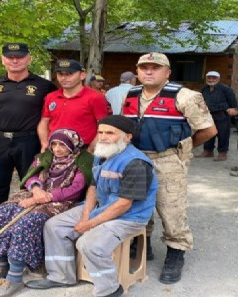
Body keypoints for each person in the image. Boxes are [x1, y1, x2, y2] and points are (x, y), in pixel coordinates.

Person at [26, 116, 158, 297]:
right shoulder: (102, 154)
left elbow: (124, 205)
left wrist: (89, 224)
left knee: (89, 244)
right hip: (102, 206)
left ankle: (110, 289)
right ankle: (61, 276)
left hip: (129, 216)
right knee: (54, 226)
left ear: (127, 137)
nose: (103, 137)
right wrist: (86, 214)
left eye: (110, 133)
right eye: (100, 132)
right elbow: (93, 188)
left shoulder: (135, 163)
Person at [122, 52, 216, 283]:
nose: (149, 71)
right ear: (137, 71)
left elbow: (208, 130)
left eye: (156, 67)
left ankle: (176, 253)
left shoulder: (186, 96)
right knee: (137, 204)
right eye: (144, 67)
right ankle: (144, 245)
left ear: (167, 72)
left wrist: (183, 148)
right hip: (136, 159)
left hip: (167, 160)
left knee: (171, 208)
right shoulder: (131, 94)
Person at [0, 129, 93, 297]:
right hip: (34, 195)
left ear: (73, 145)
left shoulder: (83, 160)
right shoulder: (44, 157)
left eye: (63, 145)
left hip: (59, 201)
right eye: (54, 144)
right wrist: (37, 190)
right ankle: (1, 266)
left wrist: (46, 197)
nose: (58, 149)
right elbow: (30, 176)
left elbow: (75, 190)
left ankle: (15, 277)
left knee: (26, 223)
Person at [0, 43, 57, 214]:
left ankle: (29, 223)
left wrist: (49, 140)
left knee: (32, 183)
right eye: (10, 57)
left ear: (29, 59)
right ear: (3, 60)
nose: (15, 61)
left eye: (20, 57)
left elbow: (52, 115)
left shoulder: (45, 86)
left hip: (30, 141)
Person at [37, 59, 110, 152]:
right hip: (55, 148)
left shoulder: (95, 98)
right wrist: (44, 143)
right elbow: (44, 122)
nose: (63, 78)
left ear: (82, 75)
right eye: (60, 74)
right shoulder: (51, 97)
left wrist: (91, 149)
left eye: (69, 74)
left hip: (82, 150)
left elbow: (104, 126)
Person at [199, 71, 237, 161]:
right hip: (208, 115)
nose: (211, 79)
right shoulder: (205, 88)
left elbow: (232, 102)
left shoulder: (226, 89)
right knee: (208, 133)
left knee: (223, 134)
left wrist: (232, 112)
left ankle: (222, 153)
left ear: (218, 79)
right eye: (209, 78)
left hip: (222, 115)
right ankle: (208, 151)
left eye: (213, 78)